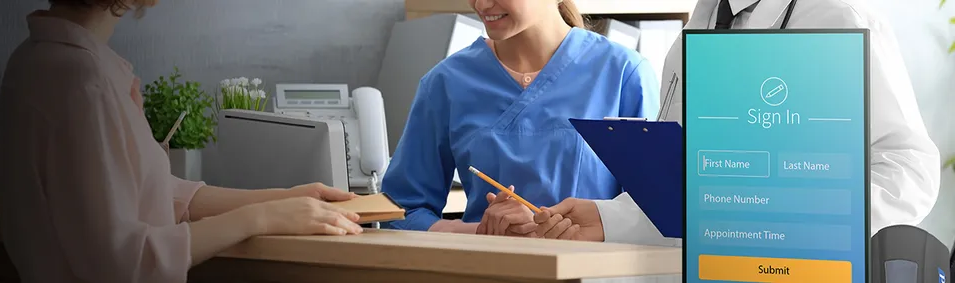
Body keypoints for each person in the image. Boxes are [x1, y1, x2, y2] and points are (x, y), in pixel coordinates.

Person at [513, 0, 942, 245]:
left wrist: (804, 219)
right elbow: (690, 183)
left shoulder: (838, 17)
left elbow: (908, 164)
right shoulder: (695, 29)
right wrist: (605, 219)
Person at [0, 1, 364, 282]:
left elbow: (152, 193)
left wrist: (282, 199)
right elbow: (122, 262)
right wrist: (260, 217)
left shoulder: (35, 60)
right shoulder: (83, 81)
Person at [379, 0, 660, 234]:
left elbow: (654, 212)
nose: (481, 4)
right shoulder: (445, 82)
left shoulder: (624, 74)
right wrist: (481, 233)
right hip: (490, 271)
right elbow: (400, 212)